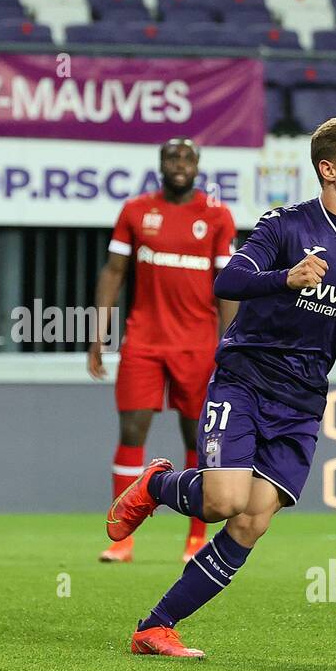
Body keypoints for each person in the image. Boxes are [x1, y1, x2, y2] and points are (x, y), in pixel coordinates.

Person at [106, 116, 336, 656]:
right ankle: (158, 484)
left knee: (252, 520)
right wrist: (286, 276)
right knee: (222, 501)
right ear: (328, 170)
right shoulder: (285, 226)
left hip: (303, 401)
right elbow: (229, 280)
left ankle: (155, 626)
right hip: (246, 381)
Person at [89, 138, 238, 564]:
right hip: (144, 342)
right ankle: (122, 539)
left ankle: (195, 542)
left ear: (198, 166)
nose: (179, 164)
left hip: (197, 345)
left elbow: (227, 286)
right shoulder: (136, 211)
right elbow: (113, 271)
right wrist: (98, 332)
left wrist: (229, 343)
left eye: (187, 158)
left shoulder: (216, 215)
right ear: (160, 164)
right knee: (131, 432)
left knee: (198, 439)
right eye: (172, 157)